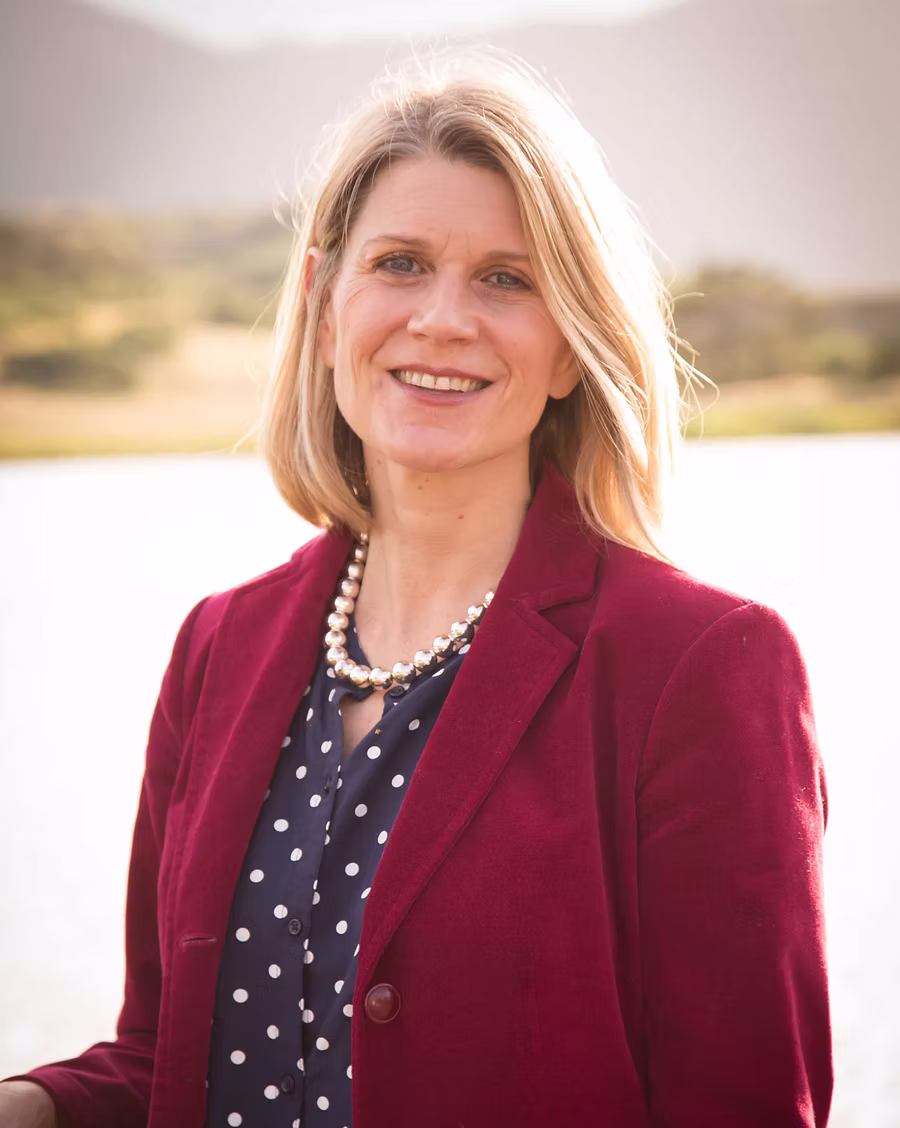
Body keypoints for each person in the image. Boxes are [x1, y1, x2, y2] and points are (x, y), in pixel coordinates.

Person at [0, 48, 831, 1128]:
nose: (443, 319)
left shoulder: (702, 664)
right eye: (399, 264)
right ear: (326, 299)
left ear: (573, 347)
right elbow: (167, 1057)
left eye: (506, 278)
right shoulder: (220, 647)